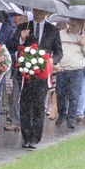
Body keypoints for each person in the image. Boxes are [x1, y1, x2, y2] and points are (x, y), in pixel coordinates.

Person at [13, 8, 63, 150]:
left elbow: (59, 51)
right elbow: (12, 46)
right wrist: (20, 38)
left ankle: (35, 136)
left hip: (42, 73)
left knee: (38, 105)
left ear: (46, 12)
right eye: (36, 10)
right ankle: (26, 136)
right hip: (25, 72)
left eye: (41, 11)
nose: (38, 13)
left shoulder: (53, 30)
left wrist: (52, 60)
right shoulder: (24, 27)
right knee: (24, 104)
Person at [55, 18, 85, 128]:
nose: (71, 27)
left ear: (80, 25)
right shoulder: (61, 34)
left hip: (77, 70)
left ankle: (71, 118)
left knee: (74, 95)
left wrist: (83, 45)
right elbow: (55, 50)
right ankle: (62, 114)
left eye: (74, 25)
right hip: (62, 68)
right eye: (70, 24)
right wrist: (56, 64)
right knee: (60, 94)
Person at [4, 12, 30, 132]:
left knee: (27, 97)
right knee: (15, 95)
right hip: (17, 68)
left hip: (30, 69)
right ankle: (15, 121)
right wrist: (20, 38)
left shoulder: (33, 30)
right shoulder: (18, 30)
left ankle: (26, 121)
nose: (14, 24)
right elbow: (12, 45)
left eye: (17, 21)